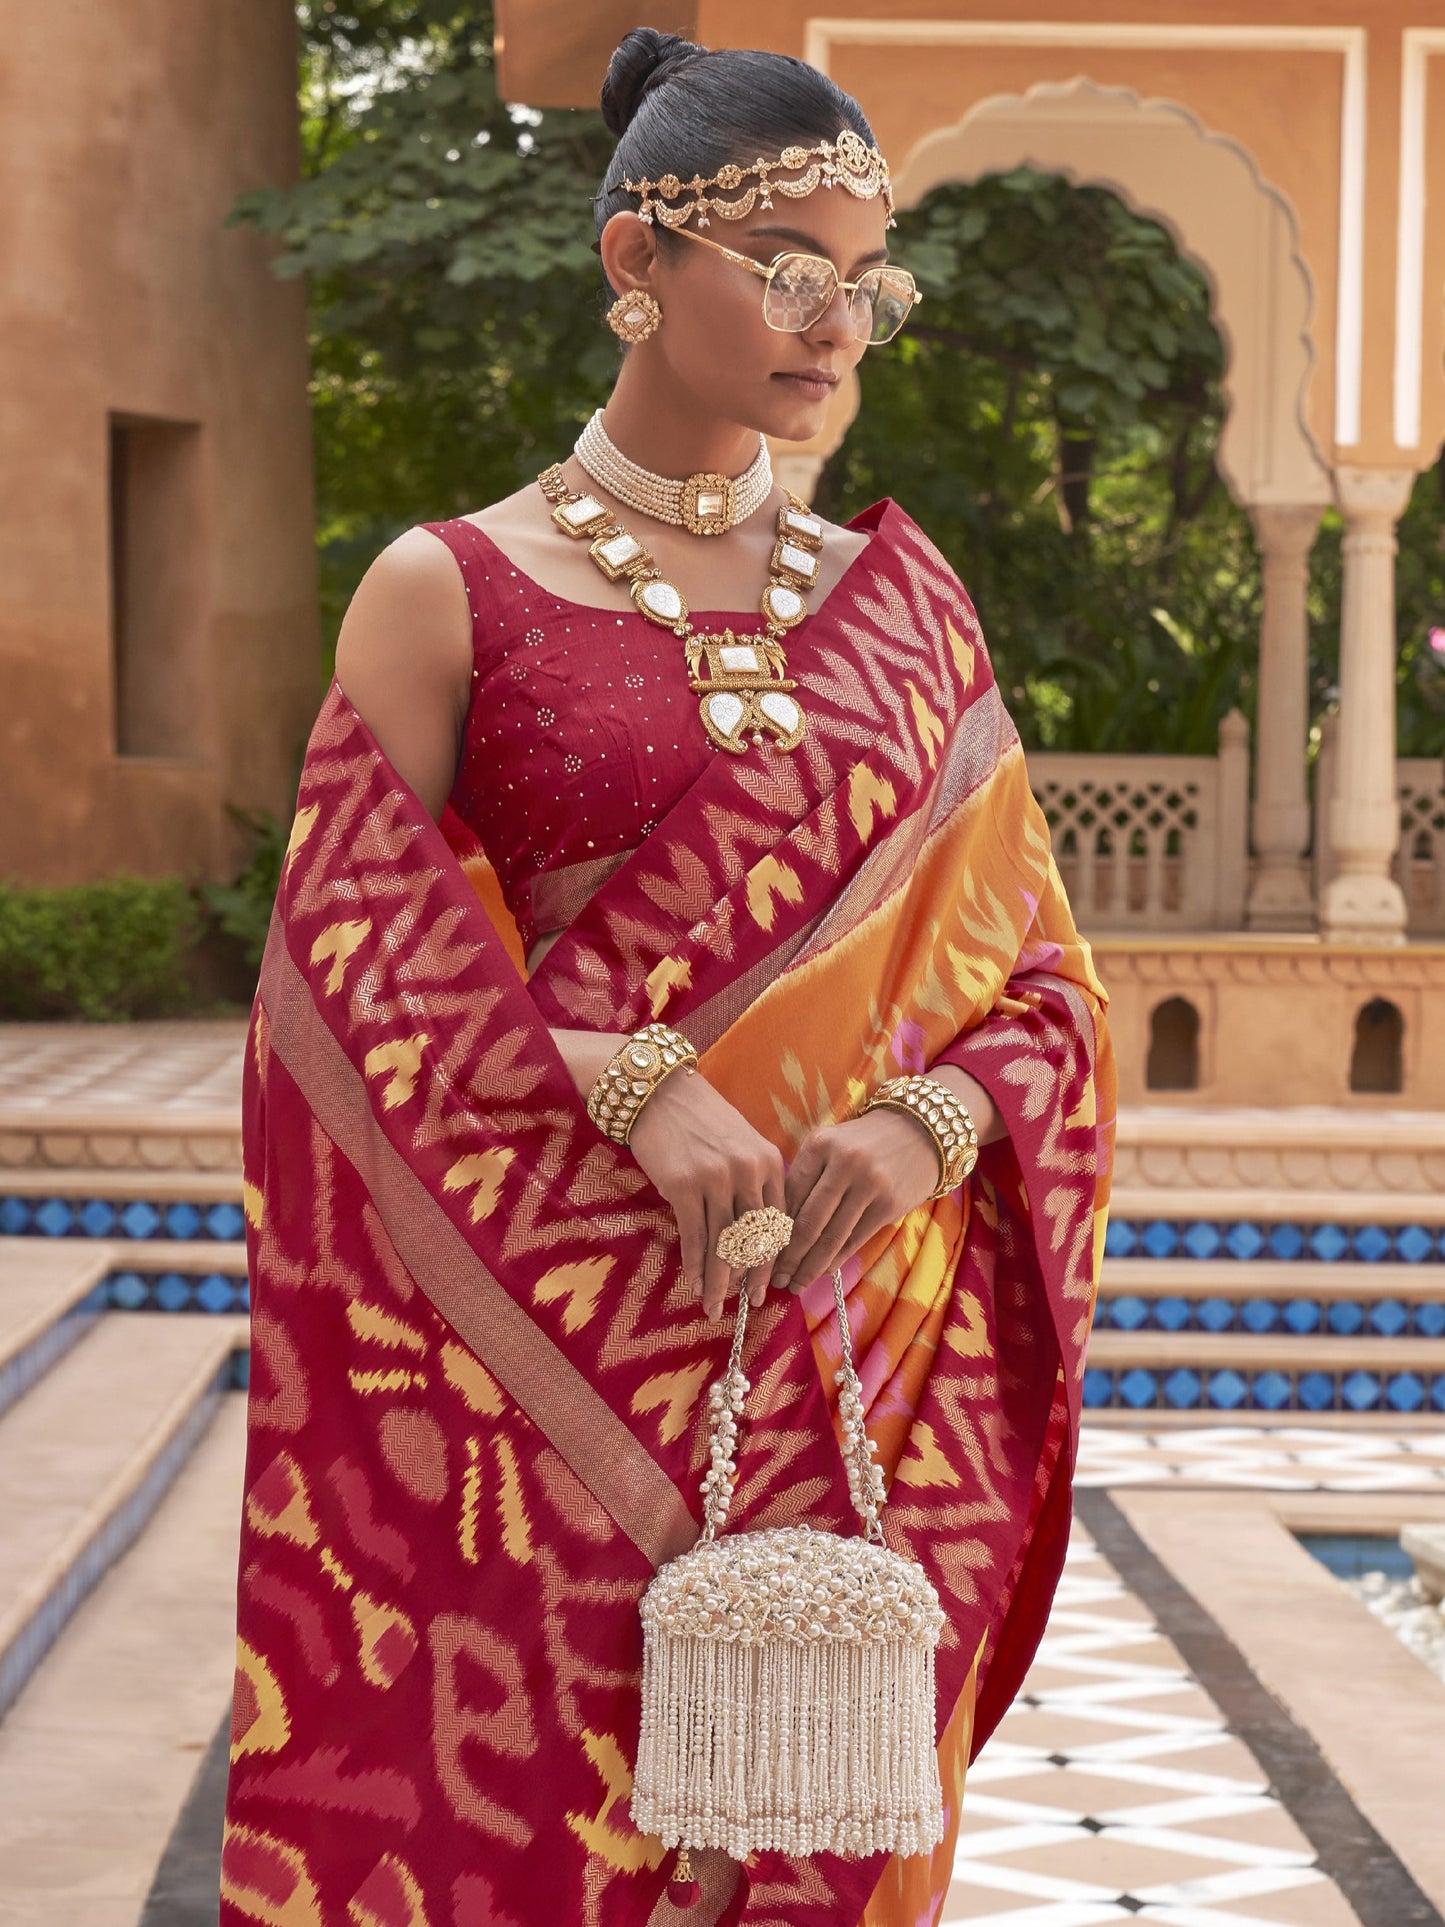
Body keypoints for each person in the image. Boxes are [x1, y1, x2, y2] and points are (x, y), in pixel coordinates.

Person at [219, 27, 1116, 1927]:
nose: (839, 320)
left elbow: (1041, 987)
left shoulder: (910, 609)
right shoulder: (449, 588)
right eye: (789, 268)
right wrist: (615, 1077)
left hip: (856, 1346)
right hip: (536, 1352)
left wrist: (927, 1127)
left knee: (821, 1844)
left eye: (869, 281)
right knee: (552, 1837)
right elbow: (343, 1000)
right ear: (635, 262)